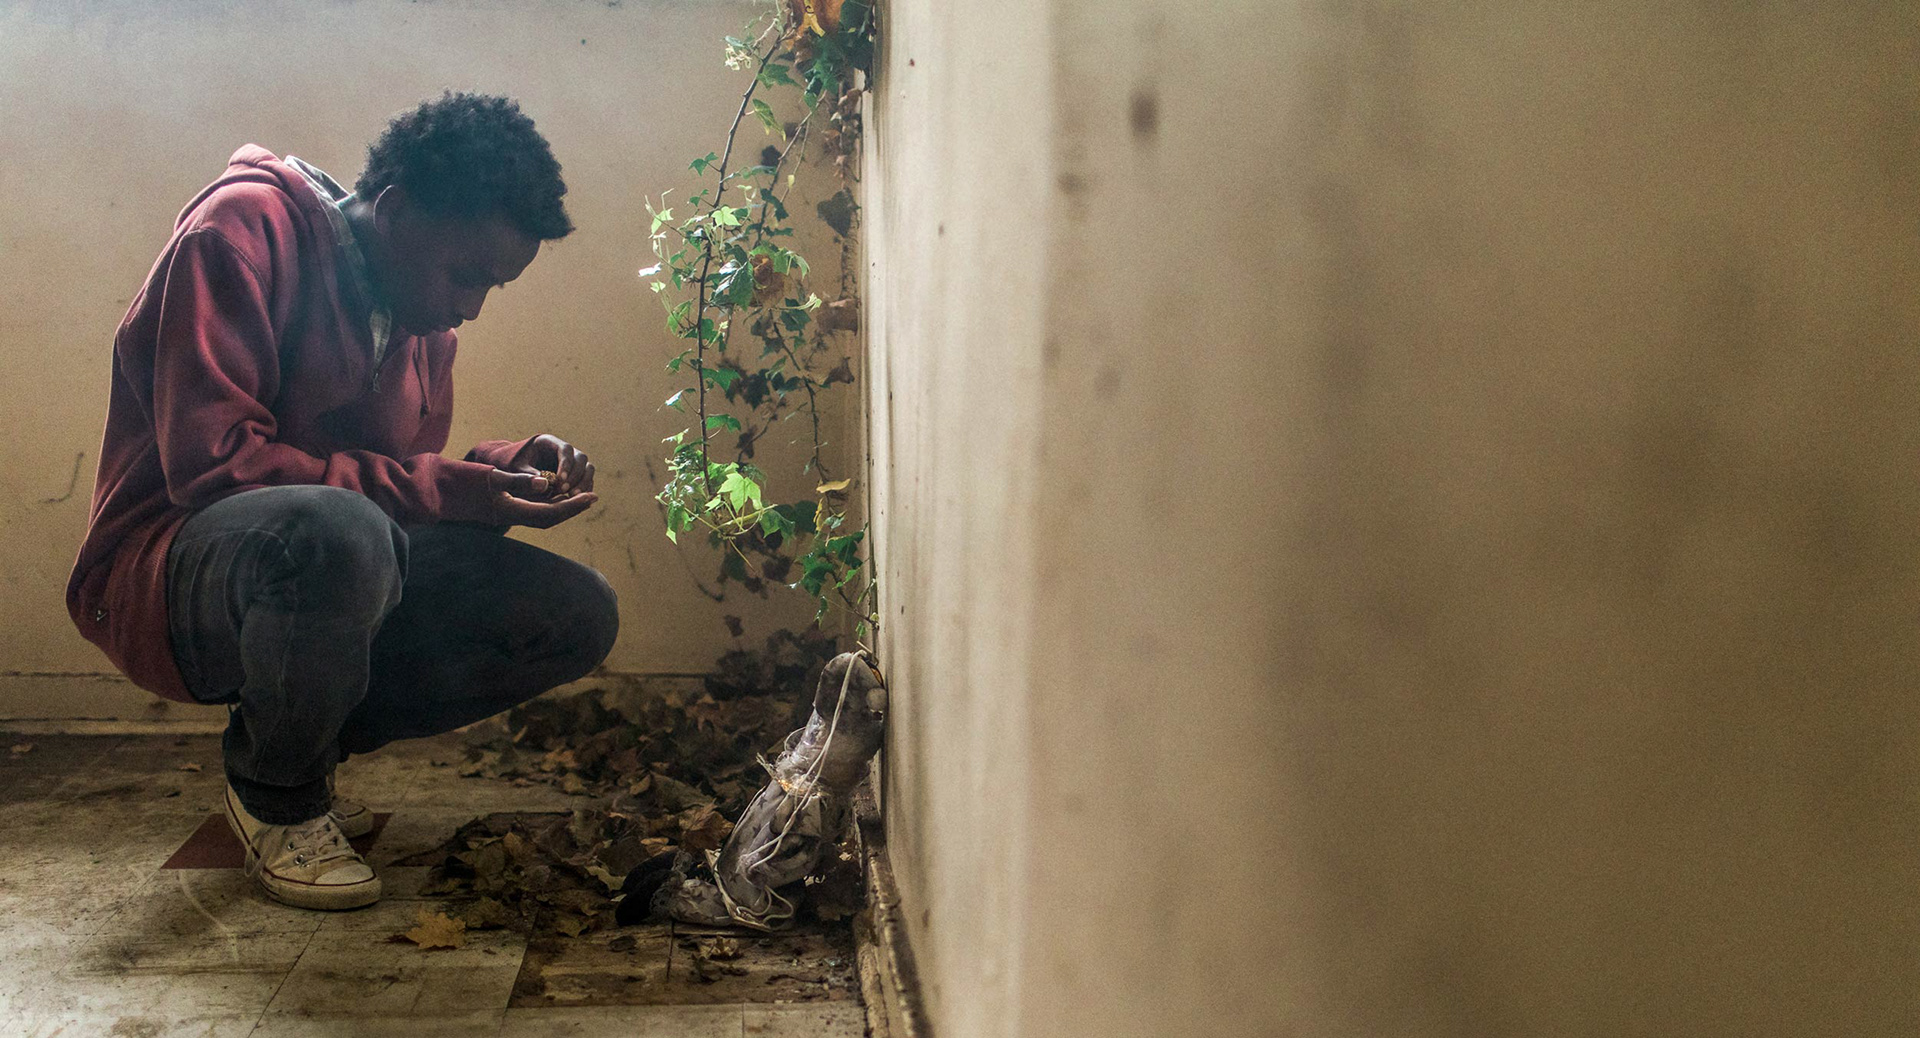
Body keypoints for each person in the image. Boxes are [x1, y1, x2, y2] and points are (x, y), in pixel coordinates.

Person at [65, 93, 619, 910]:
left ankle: (300, 745)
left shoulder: (424, 326)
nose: (471, 306)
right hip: (162, 571)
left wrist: (499, 475)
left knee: (575, 611)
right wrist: (445, 488)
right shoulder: (237, 233)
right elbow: (217, 466)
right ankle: (277, 797)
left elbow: (391, 485)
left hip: (311, 552)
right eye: (466, 274)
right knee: (341, 533)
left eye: (494, 286)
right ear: (393, 212)